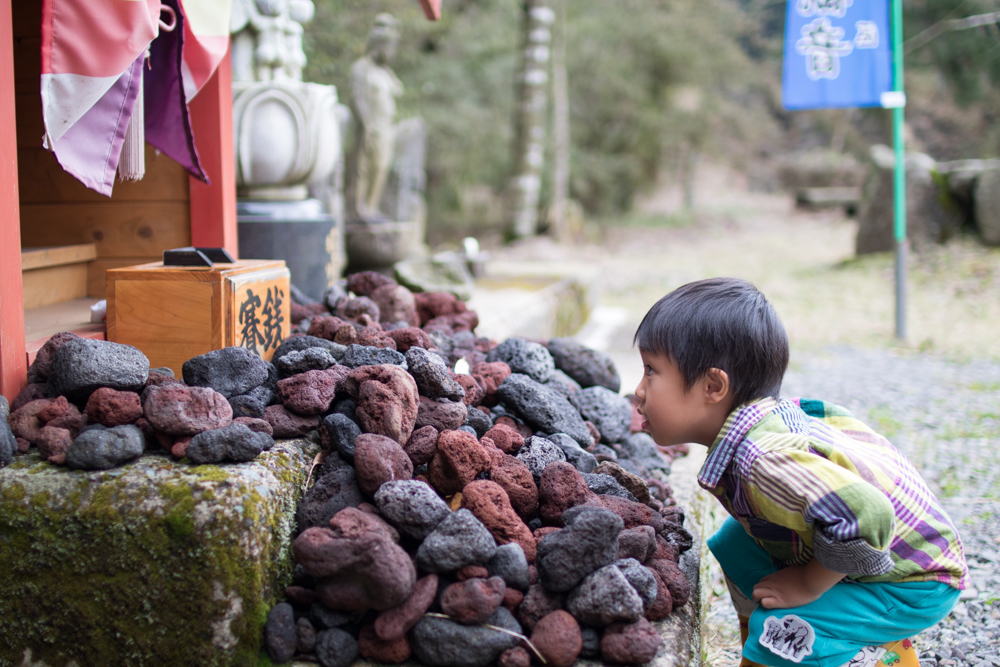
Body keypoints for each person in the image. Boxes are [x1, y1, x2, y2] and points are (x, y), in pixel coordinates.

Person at [632, 277, 968, 667]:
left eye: (651, 371)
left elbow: (869, 514)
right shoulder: (760, 422)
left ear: (713, 385)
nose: (639, 390)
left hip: (912, 581)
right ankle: (774, 645)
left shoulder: (763, 460)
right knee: (733, 544)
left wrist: (809, 584)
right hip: (877, 551)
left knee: (783, 627)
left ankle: (857, 653)